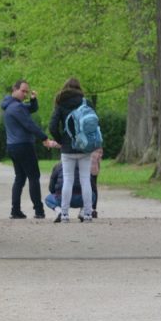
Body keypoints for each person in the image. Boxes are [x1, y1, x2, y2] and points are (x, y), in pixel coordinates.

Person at [1, 79, 58, 219]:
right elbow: (29, 125)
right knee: (34, 177)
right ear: (14, 89)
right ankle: (39, 211)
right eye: (23, 91)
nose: (25, 94)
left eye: (27, 92)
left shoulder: (11, 105)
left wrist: (33, 100)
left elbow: (31, 109)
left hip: (12, 146)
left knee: (20, 178)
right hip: (23, 146)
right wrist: (44, 138)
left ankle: (15, 211)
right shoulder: (17, 107)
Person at [48, 77, 95, 223]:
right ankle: (87, 213)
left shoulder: (60, 103)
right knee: (85, 179)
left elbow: (52, 126)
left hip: (68, 148)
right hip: (84, 146)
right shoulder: (86, 102)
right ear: (79, 88)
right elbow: (94, 124)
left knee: (68, 180)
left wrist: (61, 140)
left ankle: (64, 214)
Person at [88, 146, 103, 219]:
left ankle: (92, 209)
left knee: (92, 188)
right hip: (93, 166)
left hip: (91, 166)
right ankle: (93, 209)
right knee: (93, 188)